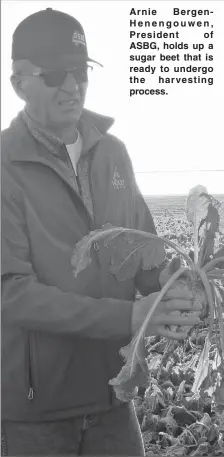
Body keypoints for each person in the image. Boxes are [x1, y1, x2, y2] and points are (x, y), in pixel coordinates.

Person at [1, 8, 202, 456]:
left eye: (79, 71)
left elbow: (144, 255)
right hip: (38, 410)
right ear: (19, 83)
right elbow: (11, 293)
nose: (72, 86)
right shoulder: (3, 165)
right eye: (54, 74)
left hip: (113, 396)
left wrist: (179, 284)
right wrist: (129, 317)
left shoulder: (113, 153)